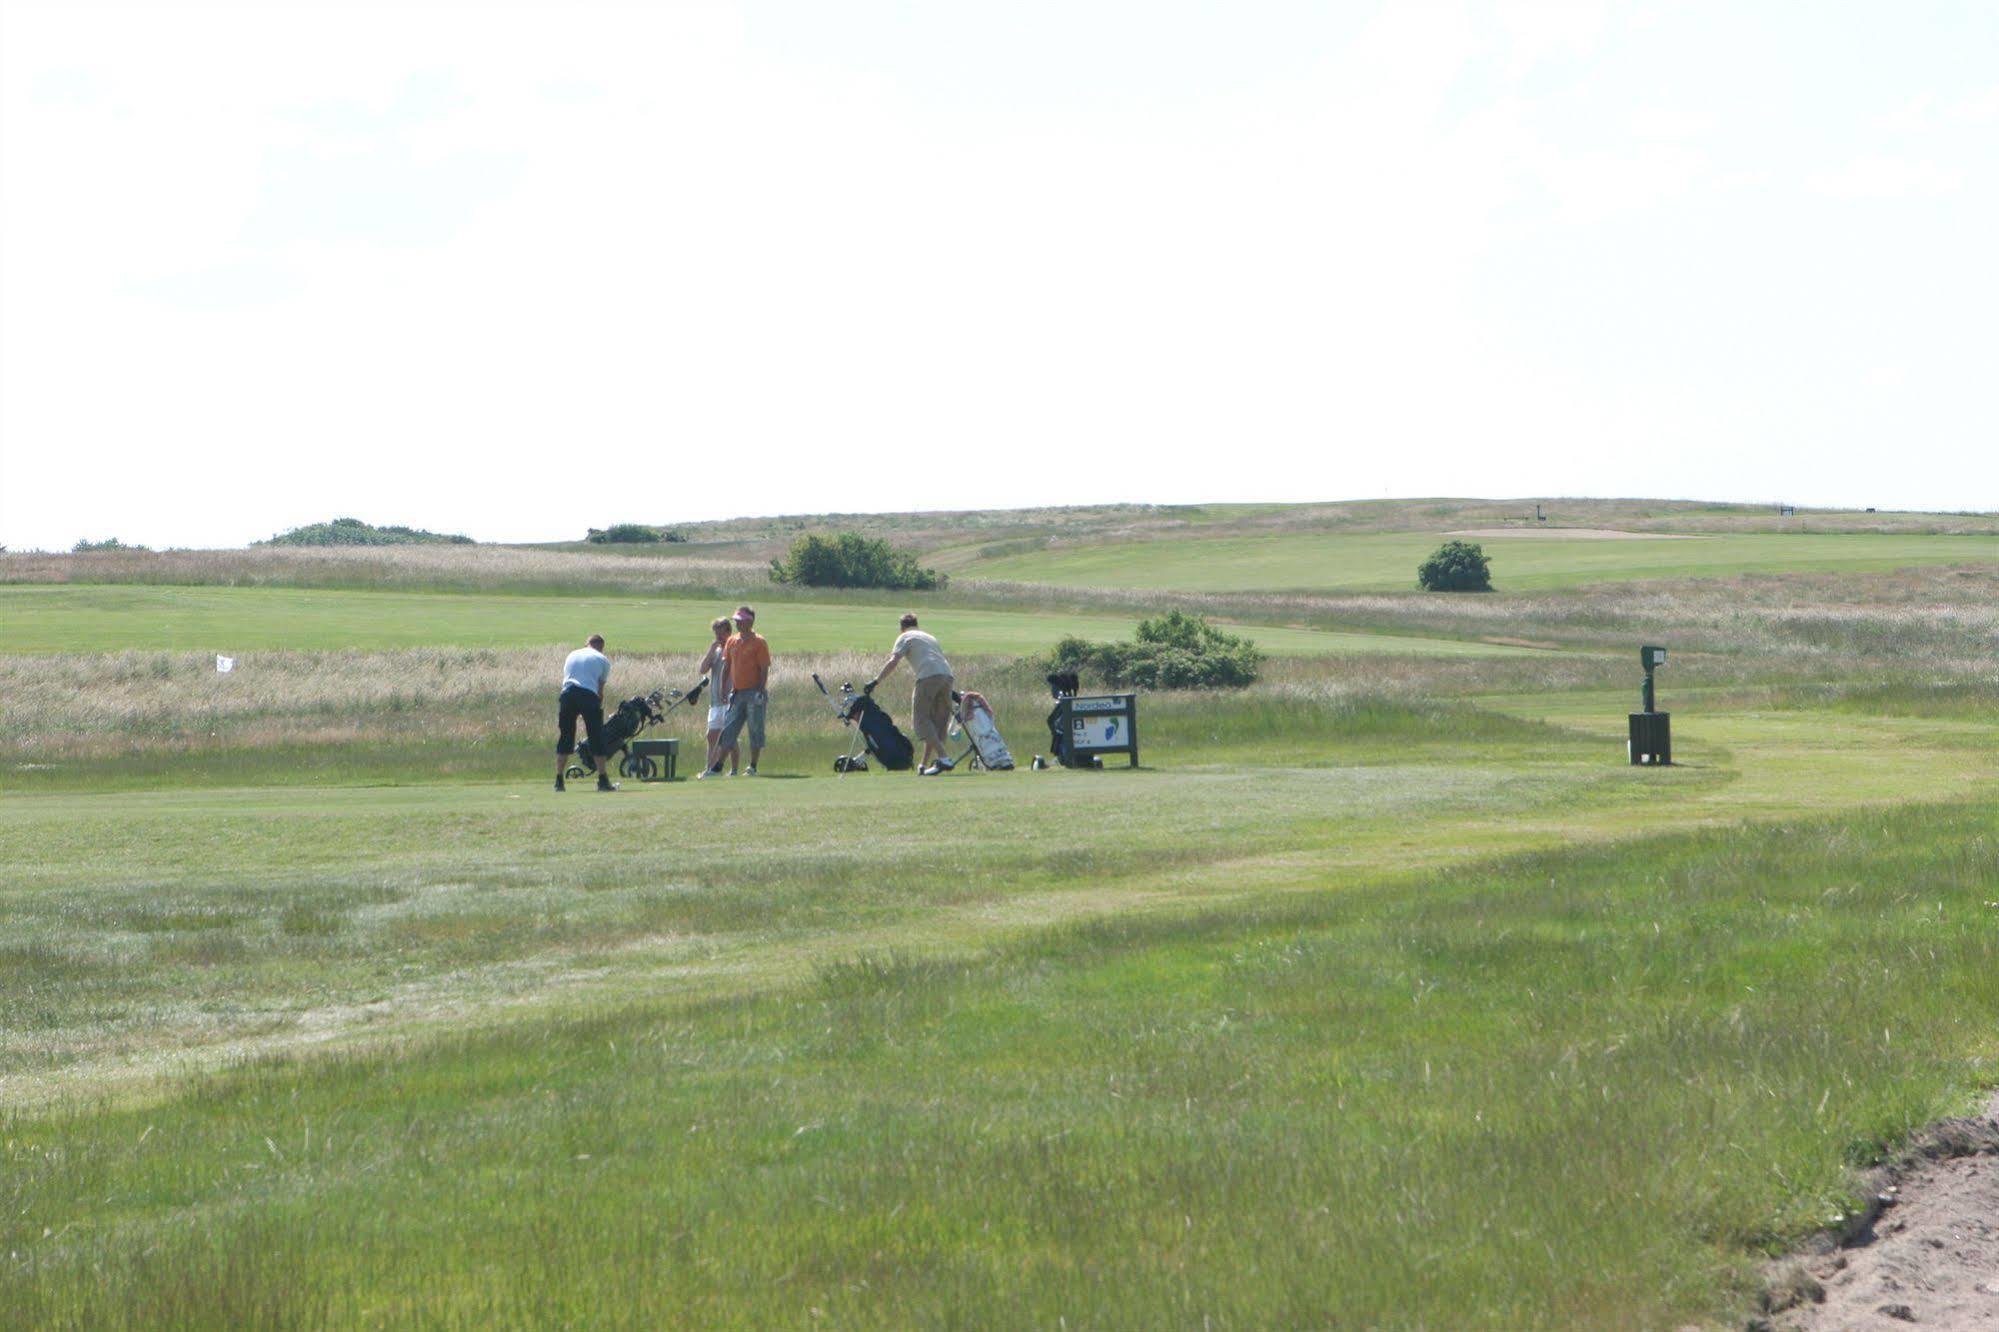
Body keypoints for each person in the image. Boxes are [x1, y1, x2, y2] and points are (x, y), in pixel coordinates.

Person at [866, 613, 955, 775]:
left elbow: (894, 661)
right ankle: (924, 764)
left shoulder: (905, 637)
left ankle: (944, 758)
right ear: (916, 624)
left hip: (927, 677)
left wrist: (876, 681)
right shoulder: (929, 637)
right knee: (936, 724)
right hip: (947, 677)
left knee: (921, 721)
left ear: (902, 627)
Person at [706, 605, 770, 777]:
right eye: (736, 621)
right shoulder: (732, 641)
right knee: (729, 729)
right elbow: (727, 666)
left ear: (750, 621)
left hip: (754, 692)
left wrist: (761, 689)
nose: (737, 624)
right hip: (737, 692)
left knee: (755, 729)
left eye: (740, 621)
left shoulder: (759, 642)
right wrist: (723, 688)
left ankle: (753, 766)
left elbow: (764, 668)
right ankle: (718, 767)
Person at [555, 634, 616, 792]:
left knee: (565, 736)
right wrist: (596, 709)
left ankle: (559, 781)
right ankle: (602, 780)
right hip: (588, 695)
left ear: (587, 644)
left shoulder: (572, 654)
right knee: (596, 737)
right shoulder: (602, 660)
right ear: (601, 647)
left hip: (567, 694)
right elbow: (599, 690)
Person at [696, 616, 738, 777]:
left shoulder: (734, 649)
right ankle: (710, 768)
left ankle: (732, 769)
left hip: (729, 698)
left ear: (728, 632)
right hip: (715, 701)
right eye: (716, 635)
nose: (718, 638)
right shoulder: (717, 650)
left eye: (721, 634)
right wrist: (711, 650)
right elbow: (703, 669)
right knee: (711, 735)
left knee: (728, 736)